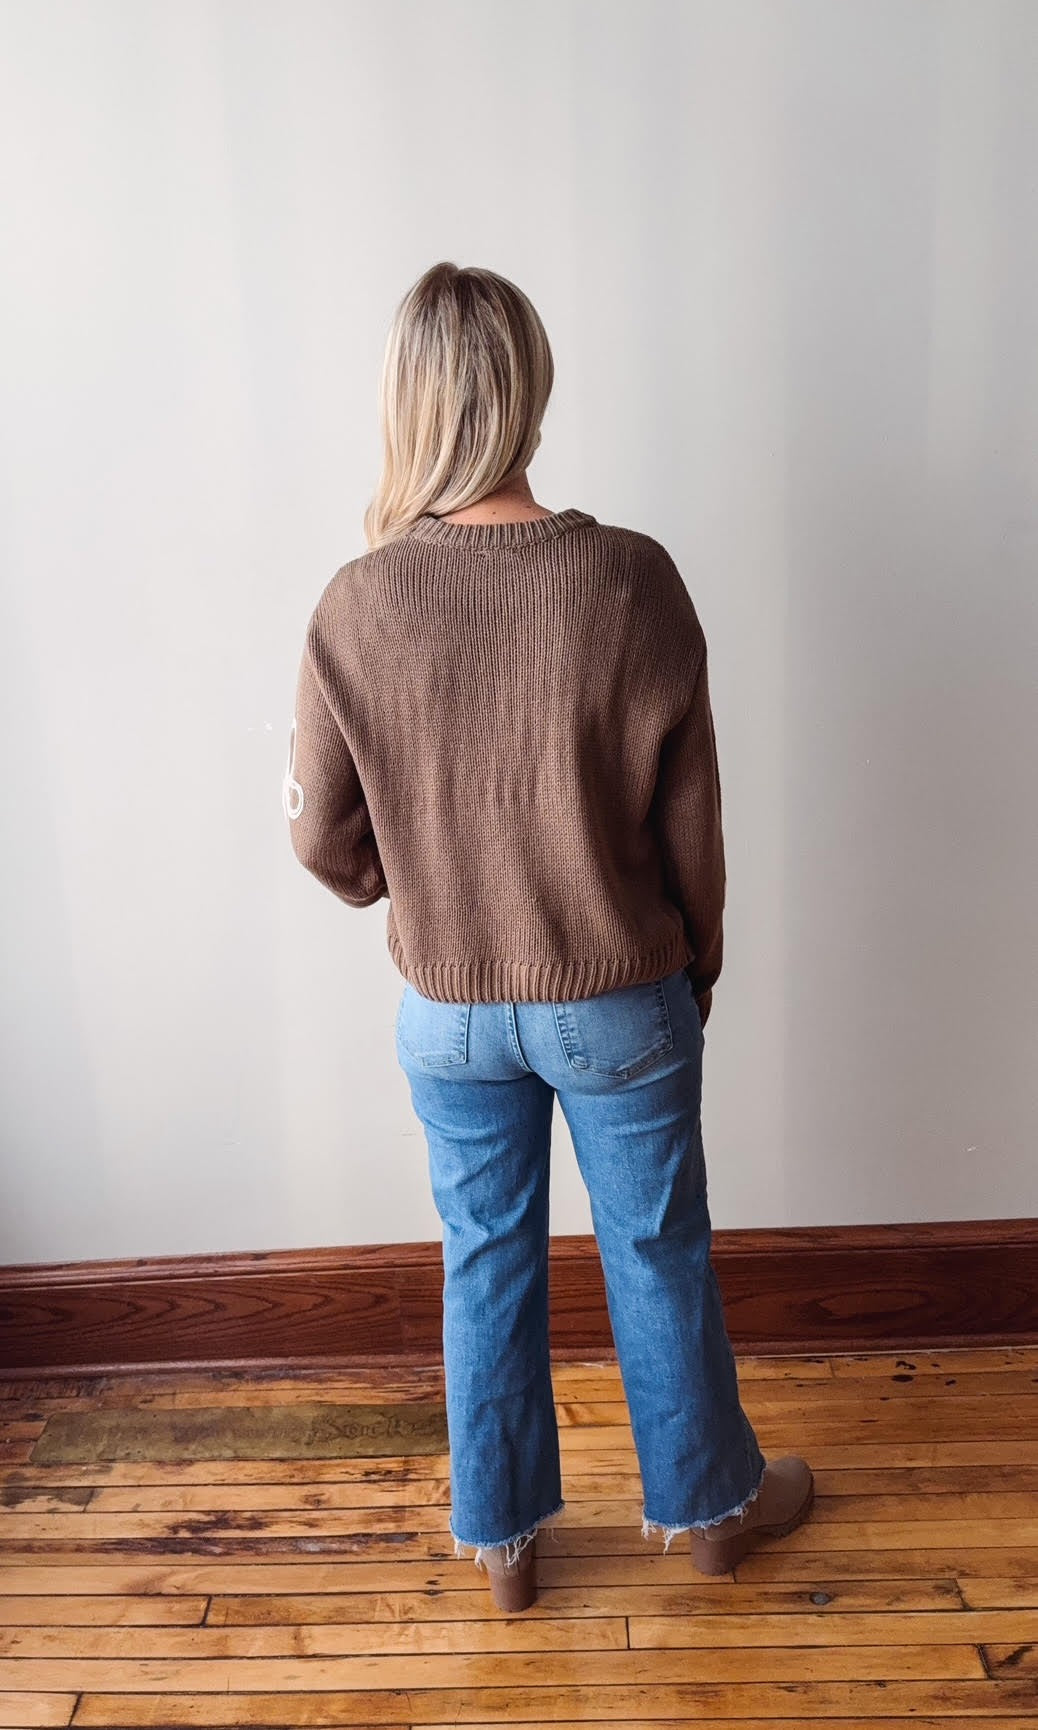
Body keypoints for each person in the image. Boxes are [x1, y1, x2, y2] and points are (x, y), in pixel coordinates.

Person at [283, 260, 813, 1612]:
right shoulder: (629, 579)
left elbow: (322, 837)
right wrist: (695, 963)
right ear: (531, 387)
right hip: (616, 988)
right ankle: (714, 1513)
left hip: (448, 1004)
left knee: (484, 1256)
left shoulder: (356, 601)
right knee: (657, 1248)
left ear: (406, 401)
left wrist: (418, 888)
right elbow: (691, 822)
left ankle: (506, 1548)